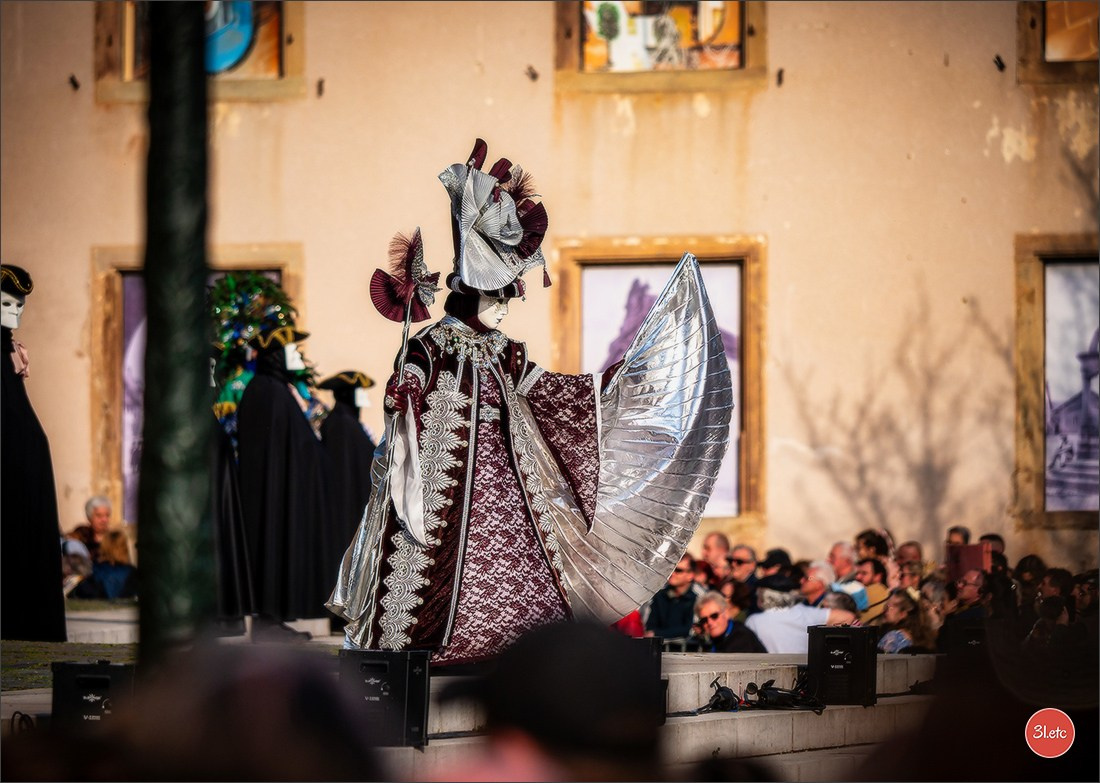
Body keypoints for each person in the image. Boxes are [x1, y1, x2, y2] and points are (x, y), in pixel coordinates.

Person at [330, 139, 732, 664]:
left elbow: (551, 394)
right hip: (433, 491)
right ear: (472, 295)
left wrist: (613, 384)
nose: (506, 309)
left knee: (518, 574)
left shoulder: (506, 352)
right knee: (421, 580)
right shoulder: (428, 347)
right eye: (500, 297)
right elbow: (401, 405)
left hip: (506, 491)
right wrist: (399, 397)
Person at [237, 323, 333, 636]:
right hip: (272, 493)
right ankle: (267, 622)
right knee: (271, 549)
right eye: (291, 349)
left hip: (277, 489)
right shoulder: (269, 391)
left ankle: (272, 620)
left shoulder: (272, 389)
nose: (296, 355)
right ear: (276, 355)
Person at [1, 263, 67, 642]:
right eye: (8, 303)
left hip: (23, 477)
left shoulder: (8, 350)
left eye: (20, 304)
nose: (17, 311)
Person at [317, 370, 378, 576]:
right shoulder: (342, 424)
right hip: (347, 505)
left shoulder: (346, 422)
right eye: (359, 391)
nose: (365, 396)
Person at [744, 592, 858, 654]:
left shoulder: (754, 620)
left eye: (823, 606)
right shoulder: (806, 613)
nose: (820, 608)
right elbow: (848, 617)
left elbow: (847, 617)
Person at [644, 554, 705, 641]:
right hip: (660, 649)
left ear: (690, 575)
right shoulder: (660, 593)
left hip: (689, 650)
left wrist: (658, 633)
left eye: (678, 570)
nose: (672, 573)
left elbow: (692, 630)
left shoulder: (699, 596)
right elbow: (649, 628)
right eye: (671, 568)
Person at [695, 591, 766, 653]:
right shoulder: (710, 641)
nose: (709, 622)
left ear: (726, 613)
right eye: (704, 620)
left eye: (714, 616)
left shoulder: (741, 638)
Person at [877, 587, 935, 653]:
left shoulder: (894, 637)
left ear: (903, 614)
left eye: (892, 606)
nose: (886, 610)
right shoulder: (921, 637)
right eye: (887, 605)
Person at [66, 495, 114, 563]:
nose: (104, 520)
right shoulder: (81, 533)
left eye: (107, 515)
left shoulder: (114, 538)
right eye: (99, 515)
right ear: (89, 517)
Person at [854, 557, 890, 624]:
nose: (858, 577)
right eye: (857, 573)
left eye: (864, 573)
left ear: (878, 576)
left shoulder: (878, 588)